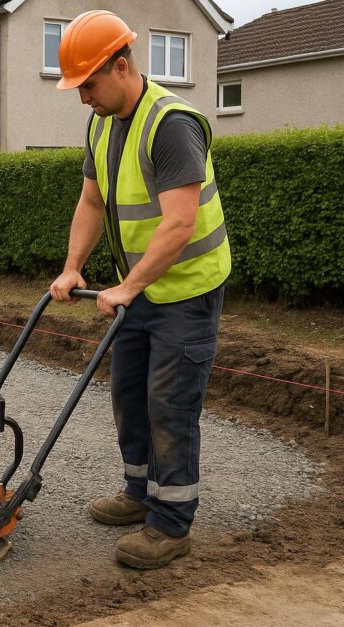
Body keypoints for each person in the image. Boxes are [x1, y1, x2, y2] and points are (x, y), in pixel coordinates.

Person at [49, 11, 231, 569]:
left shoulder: (172, 124)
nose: (83, 98)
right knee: (128, 394)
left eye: (89, 85)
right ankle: (138, 494)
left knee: (169, 405)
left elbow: (178, 224)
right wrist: (73, 267)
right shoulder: (102, 123)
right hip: (142, 293)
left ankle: (172, 525)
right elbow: (91, 201)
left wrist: (126, 285)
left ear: (121, 66)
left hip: (187, 292)